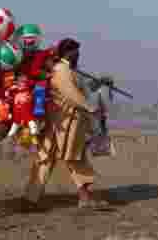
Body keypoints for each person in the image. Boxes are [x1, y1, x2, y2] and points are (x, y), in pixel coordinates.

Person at [23, 37, 109, 210]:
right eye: (76, 52)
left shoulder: (68, 70)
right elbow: (71, 94)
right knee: (75, 158)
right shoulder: (62, 71)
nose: (78, 55)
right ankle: (84, 198)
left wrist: (99, 83)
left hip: (56, 122)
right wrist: (91, 108)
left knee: (45, 158)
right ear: (69, 53)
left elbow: (81, 89)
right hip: (66, 121)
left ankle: (31, 198)